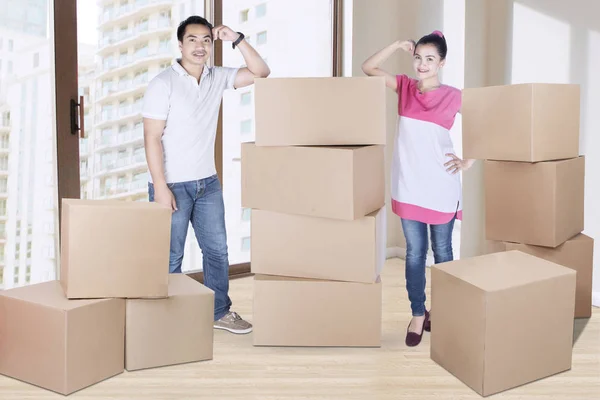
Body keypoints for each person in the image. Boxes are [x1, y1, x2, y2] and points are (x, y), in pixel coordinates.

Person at [142, 16, 270, 335]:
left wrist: (236, 38)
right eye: (192, 40)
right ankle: (165, 319)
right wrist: (160, 186)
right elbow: (151, 137)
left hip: (208, 184)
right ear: (180, 44)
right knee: (171, 256)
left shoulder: (217, 77)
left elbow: (261, 72)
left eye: (206, 40)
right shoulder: (163, 84)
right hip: (171, 185)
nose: (200, 46)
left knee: (217, 251)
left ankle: (219, 311)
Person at [361, 30, 474, 347]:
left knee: (443, 253)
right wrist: (396, 44)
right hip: (408, 184)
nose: (422, 65)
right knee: (414, 255)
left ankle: (444, 310)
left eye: (430, 59)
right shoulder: (405, 87)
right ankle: (417, 314)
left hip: (441, 185)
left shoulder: (454, 95)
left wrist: (470, 160)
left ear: (442, 63)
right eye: (418, 58)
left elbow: (487, 122)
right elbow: (368, 68)